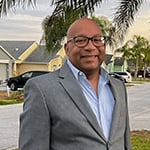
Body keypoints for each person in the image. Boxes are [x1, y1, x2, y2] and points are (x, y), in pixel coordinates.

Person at [19, 18, 131, 150]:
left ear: (104, 46)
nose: (90, 47)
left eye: (97, 40)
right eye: (81, 40)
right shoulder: (42, 89)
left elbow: (124, 142)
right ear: (67, 48)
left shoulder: (118, 87)